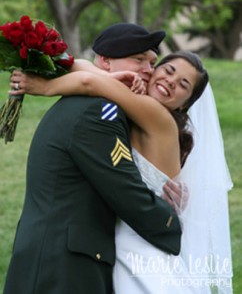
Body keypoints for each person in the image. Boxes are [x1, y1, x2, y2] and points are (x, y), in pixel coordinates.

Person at [10, 50, 211, 294]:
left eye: (183, 84)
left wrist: (45, 87)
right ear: (154, 71)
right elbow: (88, 69)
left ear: (186, 104)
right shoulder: (136, 115)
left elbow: (90, 81)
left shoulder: (157, 116)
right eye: (168, 71)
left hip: (140, 244)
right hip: (120, 242)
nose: (171, 81)